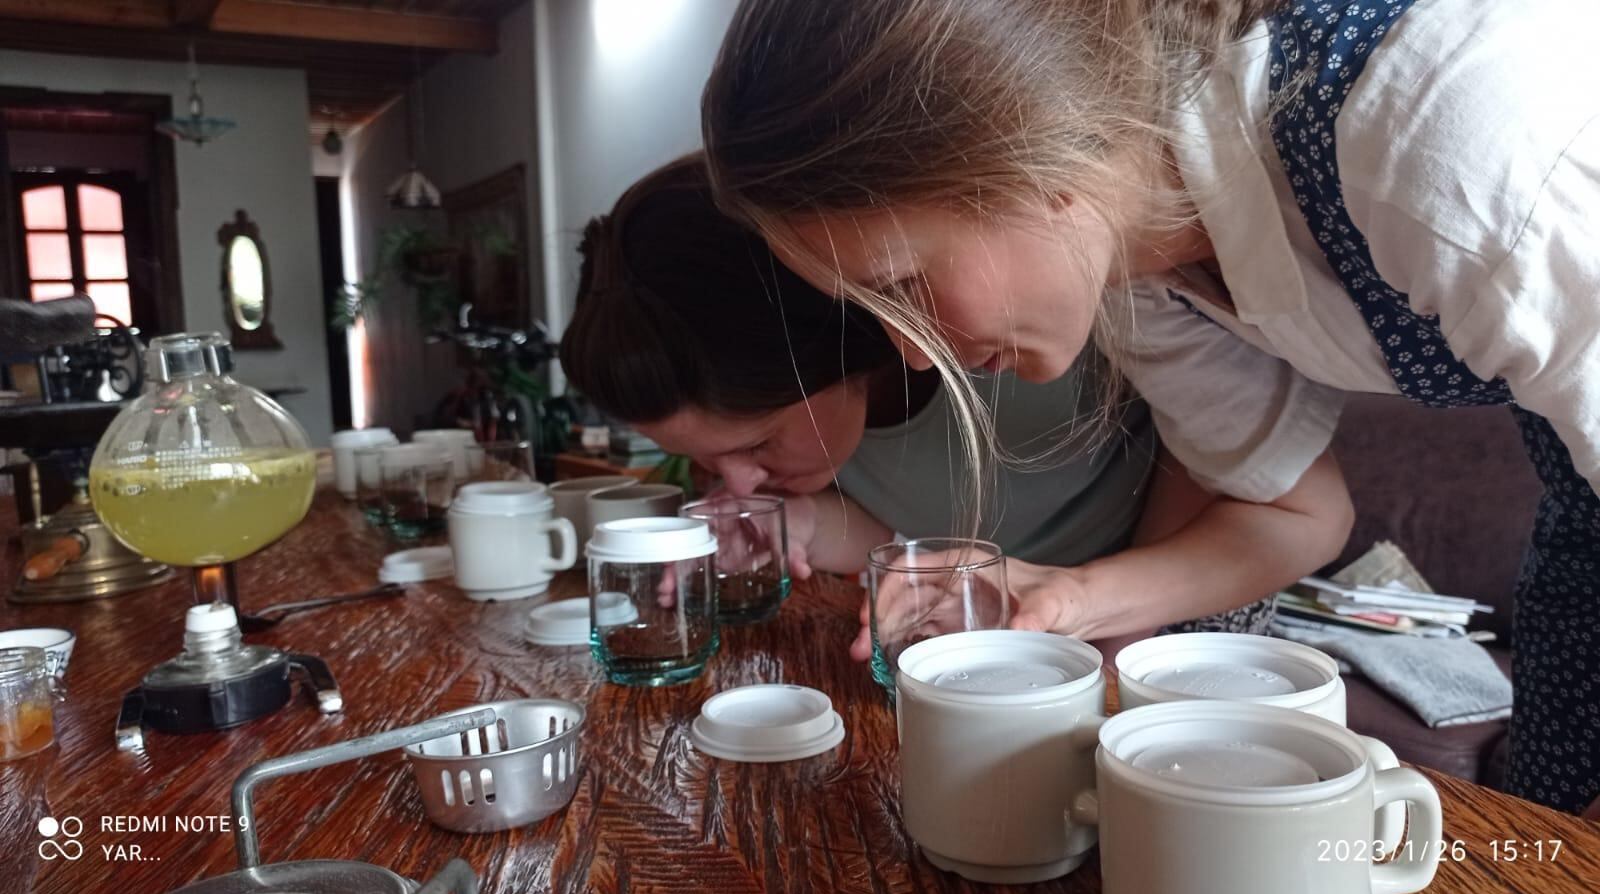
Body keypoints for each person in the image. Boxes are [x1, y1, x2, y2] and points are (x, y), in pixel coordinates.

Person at [699, 0, 1600, 812]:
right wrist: (1070, 599)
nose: (908, 350)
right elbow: (1291, 509)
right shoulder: (1146, 278)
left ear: (1023, 157)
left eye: (903, 285)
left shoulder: (1441, 133)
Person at [560, 157, 1344, 660]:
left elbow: (1227, 477)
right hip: (1004, 625)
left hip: (1178, 599)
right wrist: (791, 525)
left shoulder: (1037, 313)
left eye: (760, 442)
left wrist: (1095, 628)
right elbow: (918, 533)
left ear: (834, 324)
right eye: (706, 460)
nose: (736, 482)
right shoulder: (827, 426)